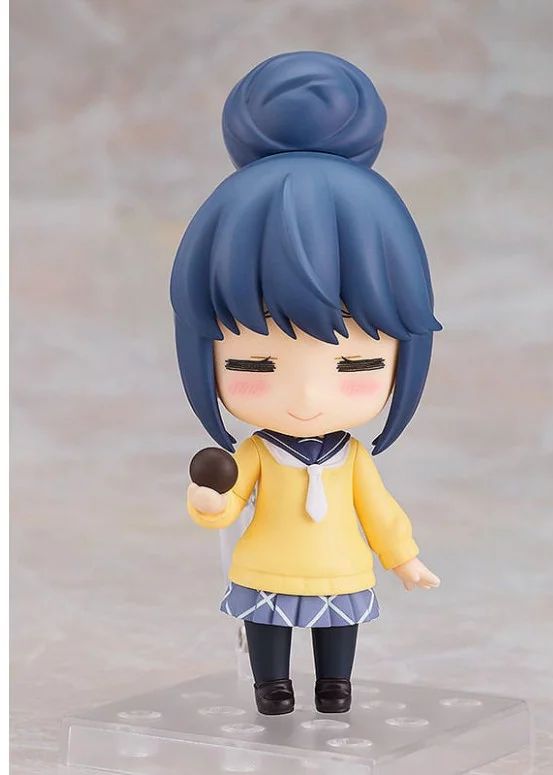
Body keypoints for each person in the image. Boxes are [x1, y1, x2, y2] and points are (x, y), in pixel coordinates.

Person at [170, 51, 441, 716]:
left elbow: (380, 513)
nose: (307, 397)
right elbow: (228, 502)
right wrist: (209, 501)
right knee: (267, 624)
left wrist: (403, 558)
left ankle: (334, 682)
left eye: (356, 364)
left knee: (336, 629)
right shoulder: (257, 453)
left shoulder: (352, 459)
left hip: (341, 566)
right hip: (264, 565)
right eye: (254, 364)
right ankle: (271, 682)